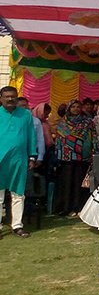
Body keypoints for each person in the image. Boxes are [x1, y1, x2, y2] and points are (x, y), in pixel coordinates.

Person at [0, 87, 37, 238]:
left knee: (18, 193)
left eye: (13, 97)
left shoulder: (26, 115)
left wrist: (32, 156)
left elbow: (31, 136)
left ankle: (17, 226)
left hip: (19, 159)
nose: (10, 99)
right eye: (7, 97)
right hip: (1, 160)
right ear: (1, 98)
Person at [55, 99, 95, 216]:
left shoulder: (87, 122)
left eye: (78, 107)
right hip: (66, 158)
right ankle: (66, 208)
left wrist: (93, 151)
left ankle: (79, 207)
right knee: (67, 182)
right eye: (73, 107)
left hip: (83, 158)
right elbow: (60, 140)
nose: (76, 109)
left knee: (80, 183)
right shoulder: (63, 122)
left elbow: (93, 137)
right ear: (69, 108)